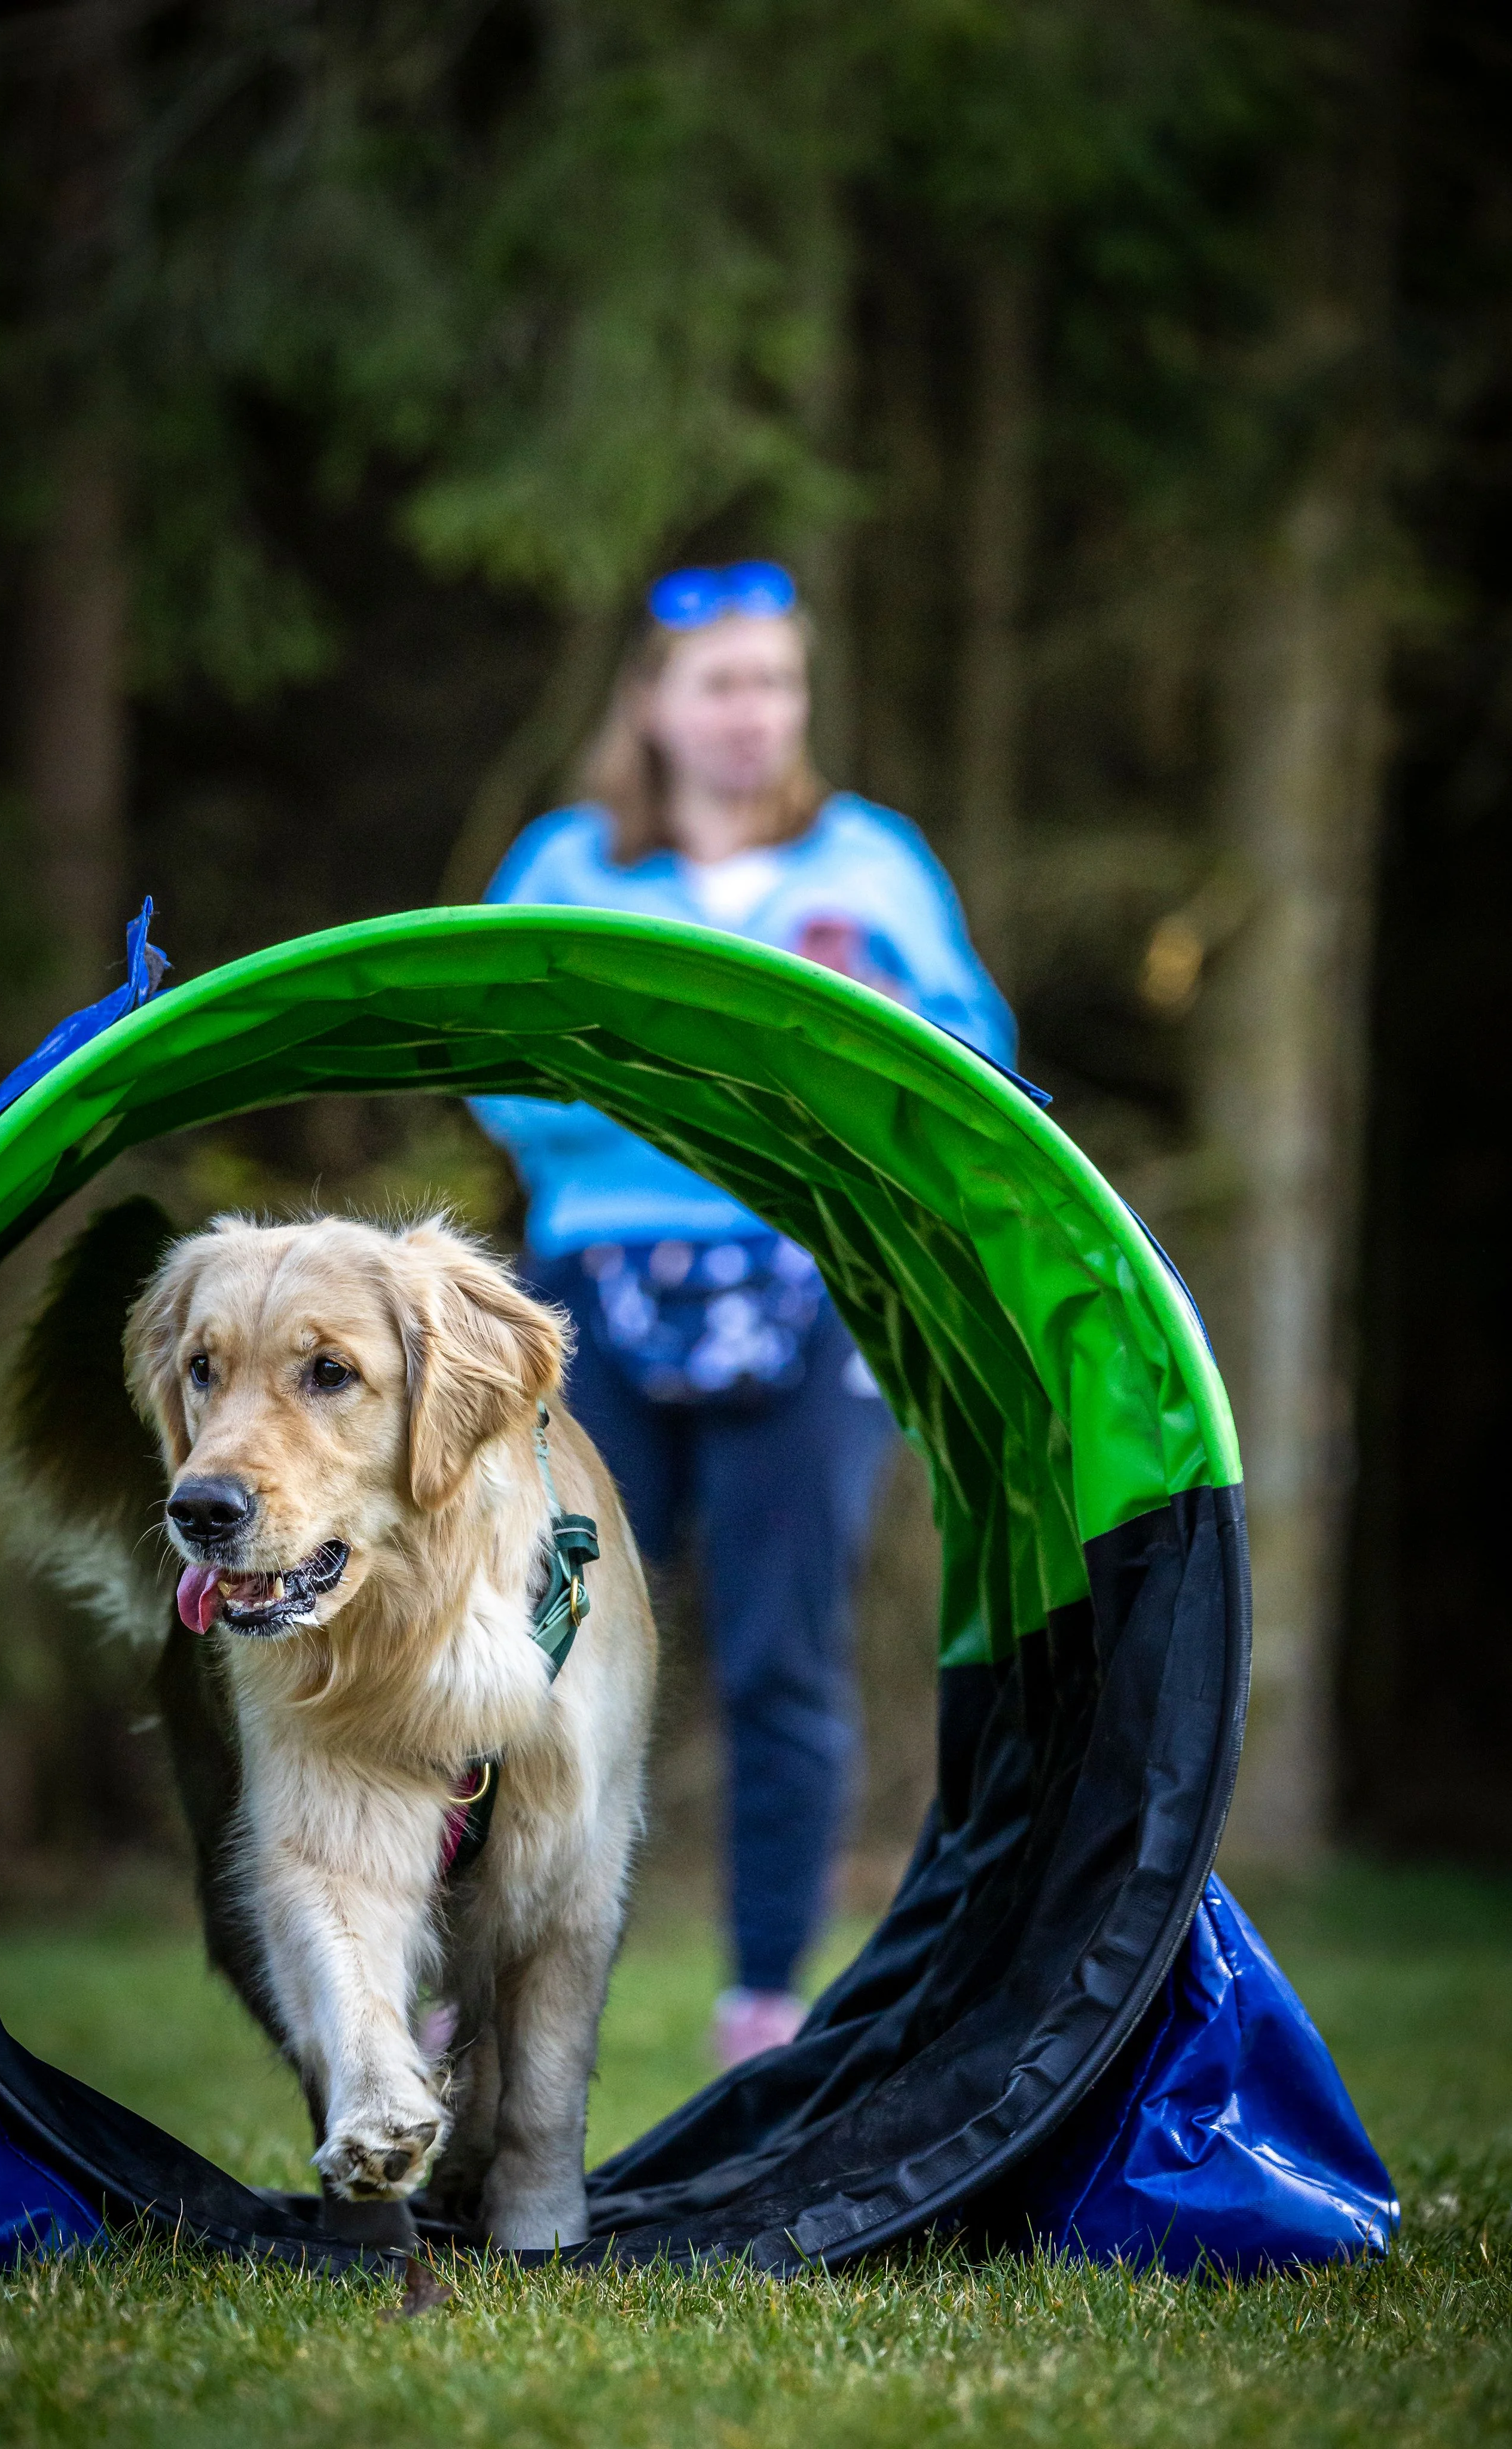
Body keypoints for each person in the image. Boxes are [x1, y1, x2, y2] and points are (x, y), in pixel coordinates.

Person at [472, 560, 1015, 2068]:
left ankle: (766, 2001)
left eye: (776, 681)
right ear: (649, 701)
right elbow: (502, 1081)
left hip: (813, 1284)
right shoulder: (568, 864)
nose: (751, 713)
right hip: (595, 1293)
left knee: (788, 1658)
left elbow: (972, 1066)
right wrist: (724, 1083)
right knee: (548, 1627)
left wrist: (880, 1013)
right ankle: (494, 1960)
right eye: (720, 682)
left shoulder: (876, 863)